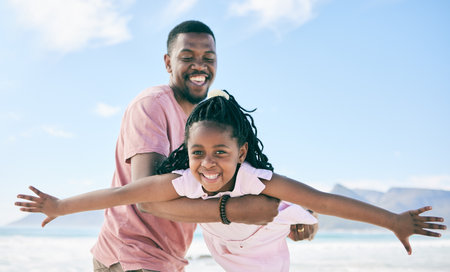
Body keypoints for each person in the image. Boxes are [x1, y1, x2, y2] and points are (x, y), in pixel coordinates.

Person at [16, 90, 446, 272]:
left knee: (303, 213)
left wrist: (393, 222)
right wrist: (59, 207)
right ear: (187, 151)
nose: (208, 165)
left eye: (221, 153)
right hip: (229, 259)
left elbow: (325, 200)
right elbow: (123, 193)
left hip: (267, 257)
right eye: (198, 152)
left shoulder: (261, 182)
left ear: (240, 154)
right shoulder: (183, 181)